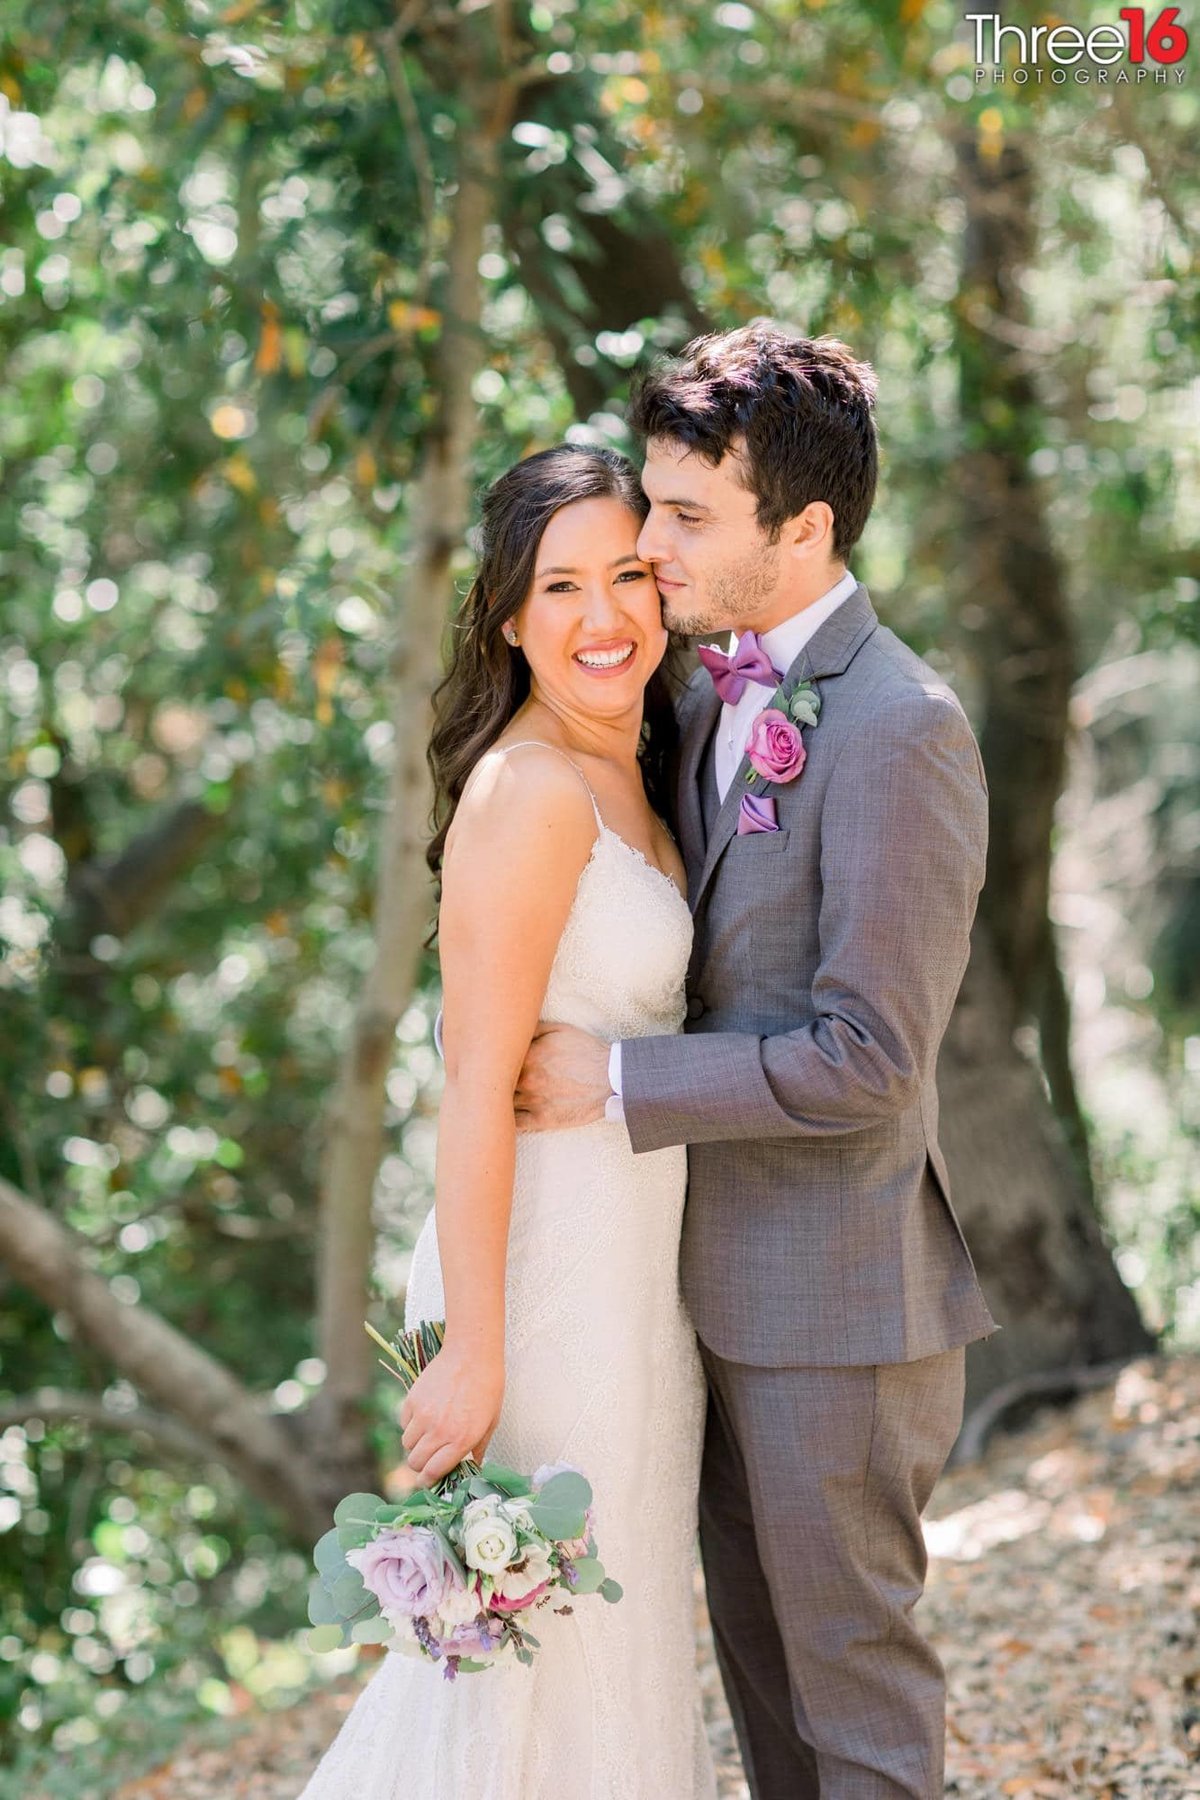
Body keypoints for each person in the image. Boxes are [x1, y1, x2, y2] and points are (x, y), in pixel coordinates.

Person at [516, 322, 1002, 1800]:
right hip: (710, 1294)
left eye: (685, 516)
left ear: (805, 529)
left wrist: (614, 1083)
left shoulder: (898, 730)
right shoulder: (704, 688)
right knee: (770, 1708)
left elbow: (868, 1056)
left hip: (843, 1311)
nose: (648, 542)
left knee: (856, 1718)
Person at [296, 443, 718, 1799]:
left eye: (631, 576)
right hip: (535, 1293)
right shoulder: (528, 793)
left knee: (618, 1649)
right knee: (532, 1685)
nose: (606, 619)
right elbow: (475, 1083)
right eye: (563, 588)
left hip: (634, 1289)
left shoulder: (644, 771)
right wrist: (472, 1352)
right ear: (508, 617)